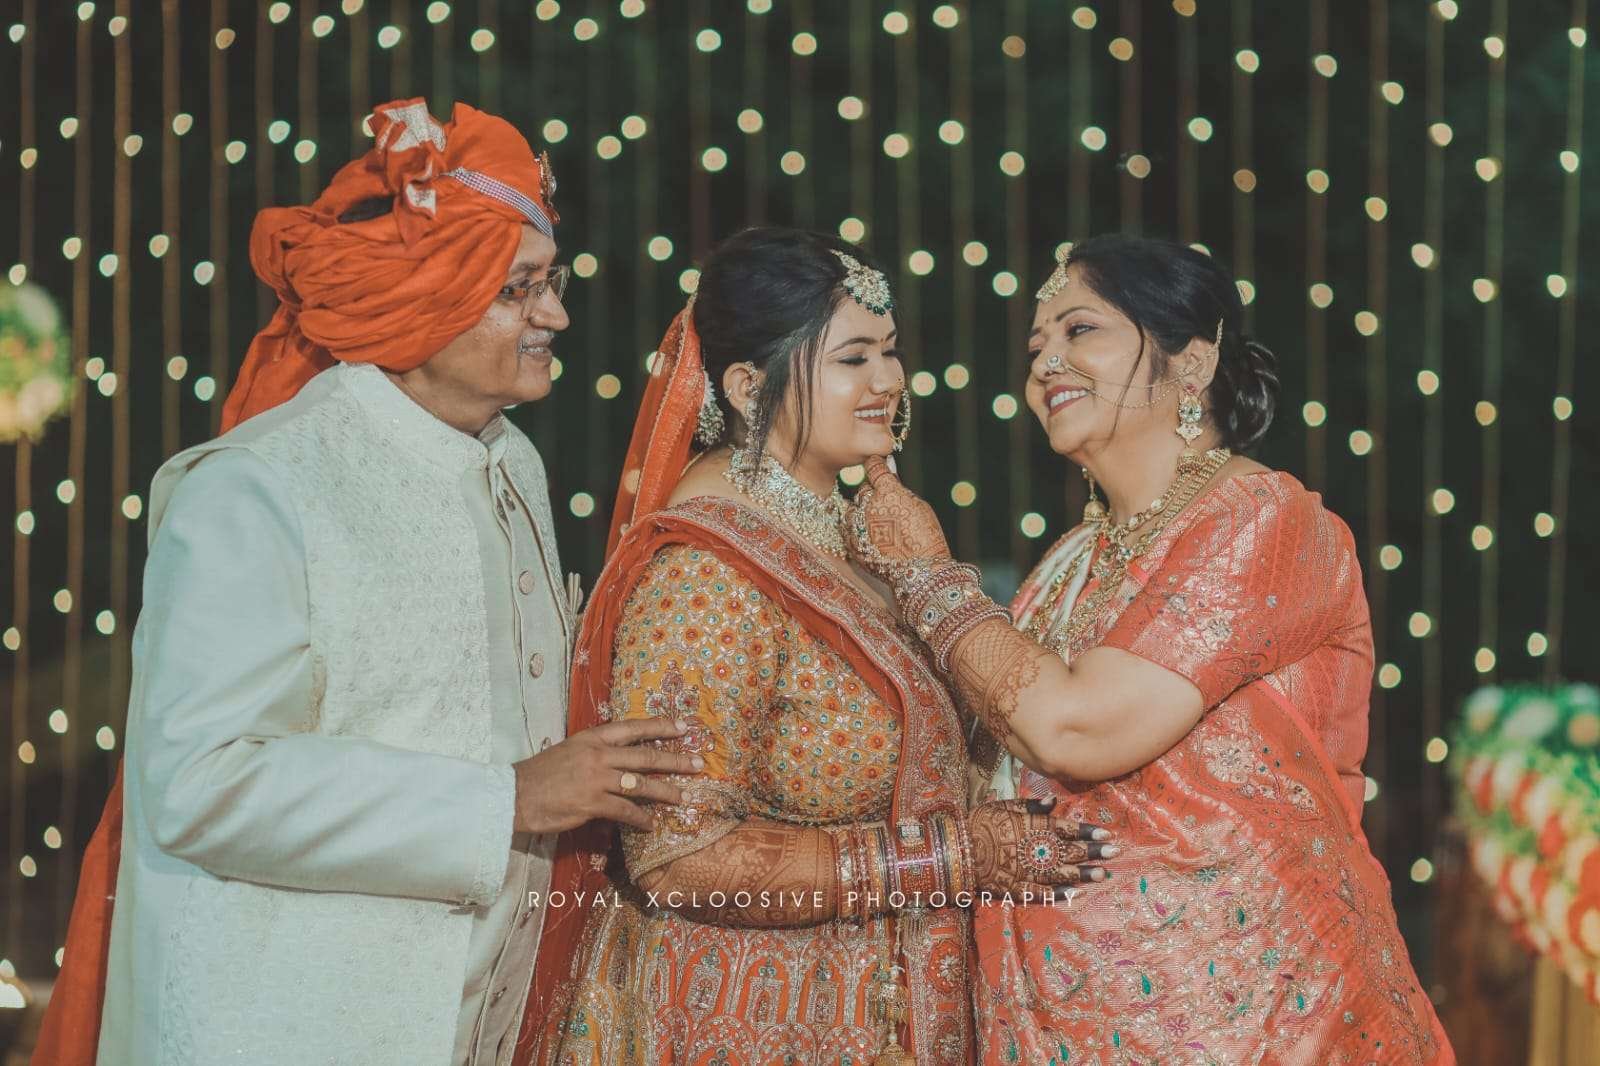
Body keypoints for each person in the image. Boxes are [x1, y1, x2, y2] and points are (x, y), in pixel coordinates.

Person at [35, 97, 701, 1066]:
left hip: (472, 1020)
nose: (556, 314)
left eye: (551, 281)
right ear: (426, 296)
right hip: (284, 1023)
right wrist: (507, 799)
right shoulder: (256, 488)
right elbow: (200, 783)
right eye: (519, 289)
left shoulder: (512, 461)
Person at [844, 234, 1454, 1062]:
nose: (1045, 363)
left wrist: (924, 574)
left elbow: (1077, 728)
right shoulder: (1070, 562)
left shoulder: (1264, 520)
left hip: (1255, 1024)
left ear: (1192, 362)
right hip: (1070, 1026)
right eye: (1036, 346)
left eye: (1081, 330)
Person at [517, 228, 1110, 1065]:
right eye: (853, 358)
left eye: (890, 352)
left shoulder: (862, 541)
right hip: (740, 1023)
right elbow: (680, 857)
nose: (889, 380)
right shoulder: (706, 574)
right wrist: (950, 857)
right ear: (747, 387)